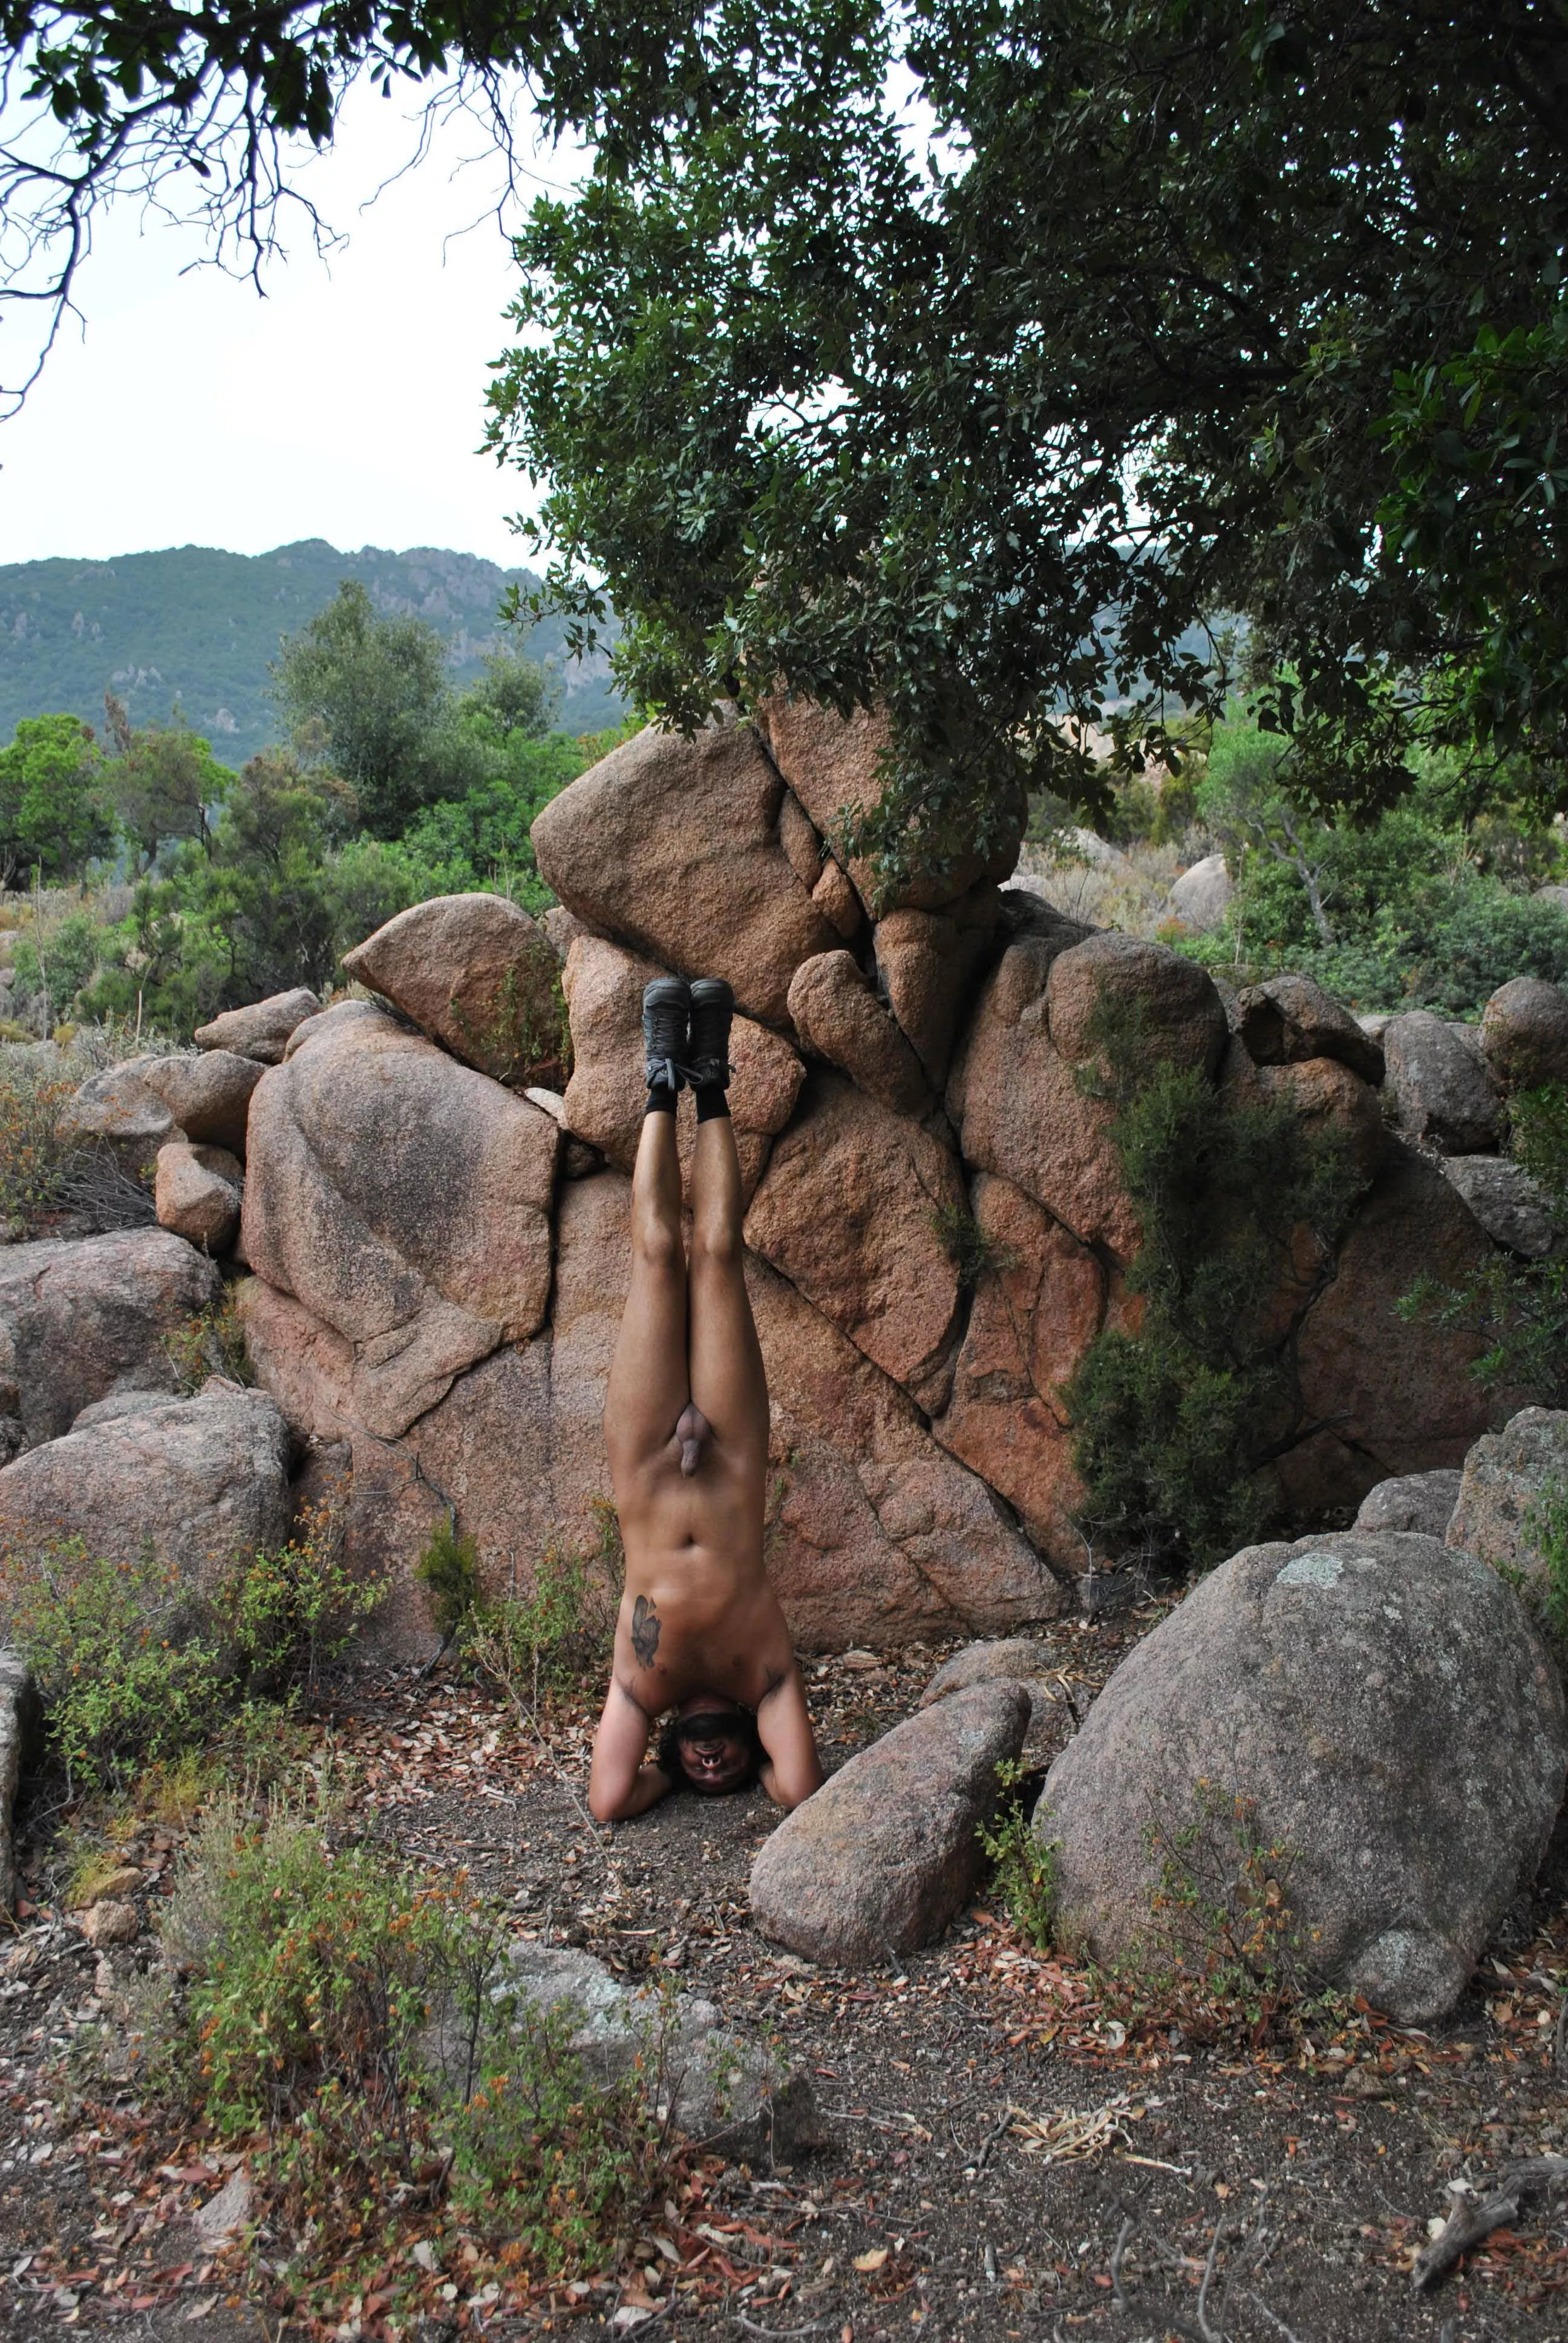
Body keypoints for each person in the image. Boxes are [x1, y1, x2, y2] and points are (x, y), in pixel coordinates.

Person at [587, 974, 824, 1822]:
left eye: (702, 1771)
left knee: (659, 1254)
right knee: (717, 1253)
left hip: (648, 1456)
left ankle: (662, 1080)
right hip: (728, 1452)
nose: (715, 1764)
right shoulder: (758, 1672)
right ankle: (710, 1078)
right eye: (725, 1769)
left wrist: (664, 1786)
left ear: (674, 1755)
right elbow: (797, 1786)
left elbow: (610, 1799)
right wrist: (757, 1773)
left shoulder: (642, 1679)